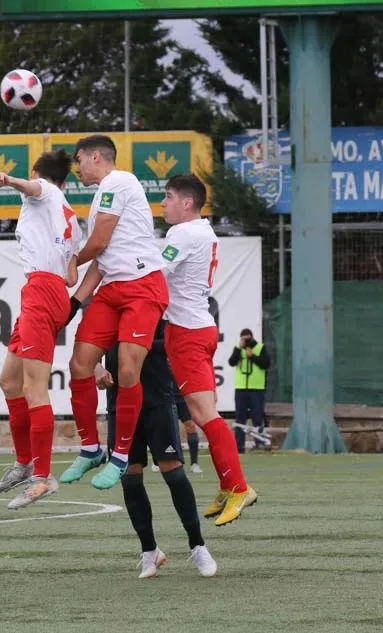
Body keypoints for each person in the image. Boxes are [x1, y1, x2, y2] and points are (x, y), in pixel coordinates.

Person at [61, 134, 170, 490]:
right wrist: (74, 303)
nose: (77, 169)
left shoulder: (118, 181)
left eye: (79, 160)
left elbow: (99, 243)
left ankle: (120, 456)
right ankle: (90, 449)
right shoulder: (100, 197)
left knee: (126, 369)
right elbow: (103, 260)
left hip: (142, 287)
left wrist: (71, 259)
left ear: (96, 156)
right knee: (80, 364)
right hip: (112, 290)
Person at [159, 174, 257, 527]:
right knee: (205, 414)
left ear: (188, 203)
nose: (163, 203)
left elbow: (157, 273)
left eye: (168, 197)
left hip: (187, 332)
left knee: (205, 416)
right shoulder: (201, 232)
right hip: (193, 328)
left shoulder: (183, 233)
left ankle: (239, 487)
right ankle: (227, 484)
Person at [0, 149, 82, 509]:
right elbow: (72, 273)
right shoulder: (69, 214)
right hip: (45, 290)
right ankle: (25, 463)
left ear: (39, 173)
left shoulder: (46, 191)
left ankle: (43, 476)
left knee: (33, 388)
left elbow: (35, 189)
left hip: (42, 291)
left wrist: (8, 180)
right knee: (10, 381)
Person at [100, 319, 217, 579]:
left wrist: (132, 346)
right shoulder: (105, 308)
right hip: (120, 406)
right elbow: (87, 347)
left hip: (157, 402)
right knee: (129, 478)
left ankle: (198, 545)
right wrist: (97, 366)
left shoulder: (156, 308)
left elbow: (172, 344)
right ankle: (149, 551)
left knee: (173, 472)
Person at [229, 328, 270, 453]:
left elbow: (265, 364)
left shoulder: (260, 348)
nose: (245, 341)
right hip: (241, 389)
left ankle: (260, 444)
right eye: (243, 339)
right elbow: (232, 362)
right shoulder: (238, 349)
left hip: (256, 388)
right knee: (240, 419)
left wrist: (252, 356)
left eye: (247, 339)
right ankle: (239, 446)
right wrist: (238, 348)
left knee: (257, 417)